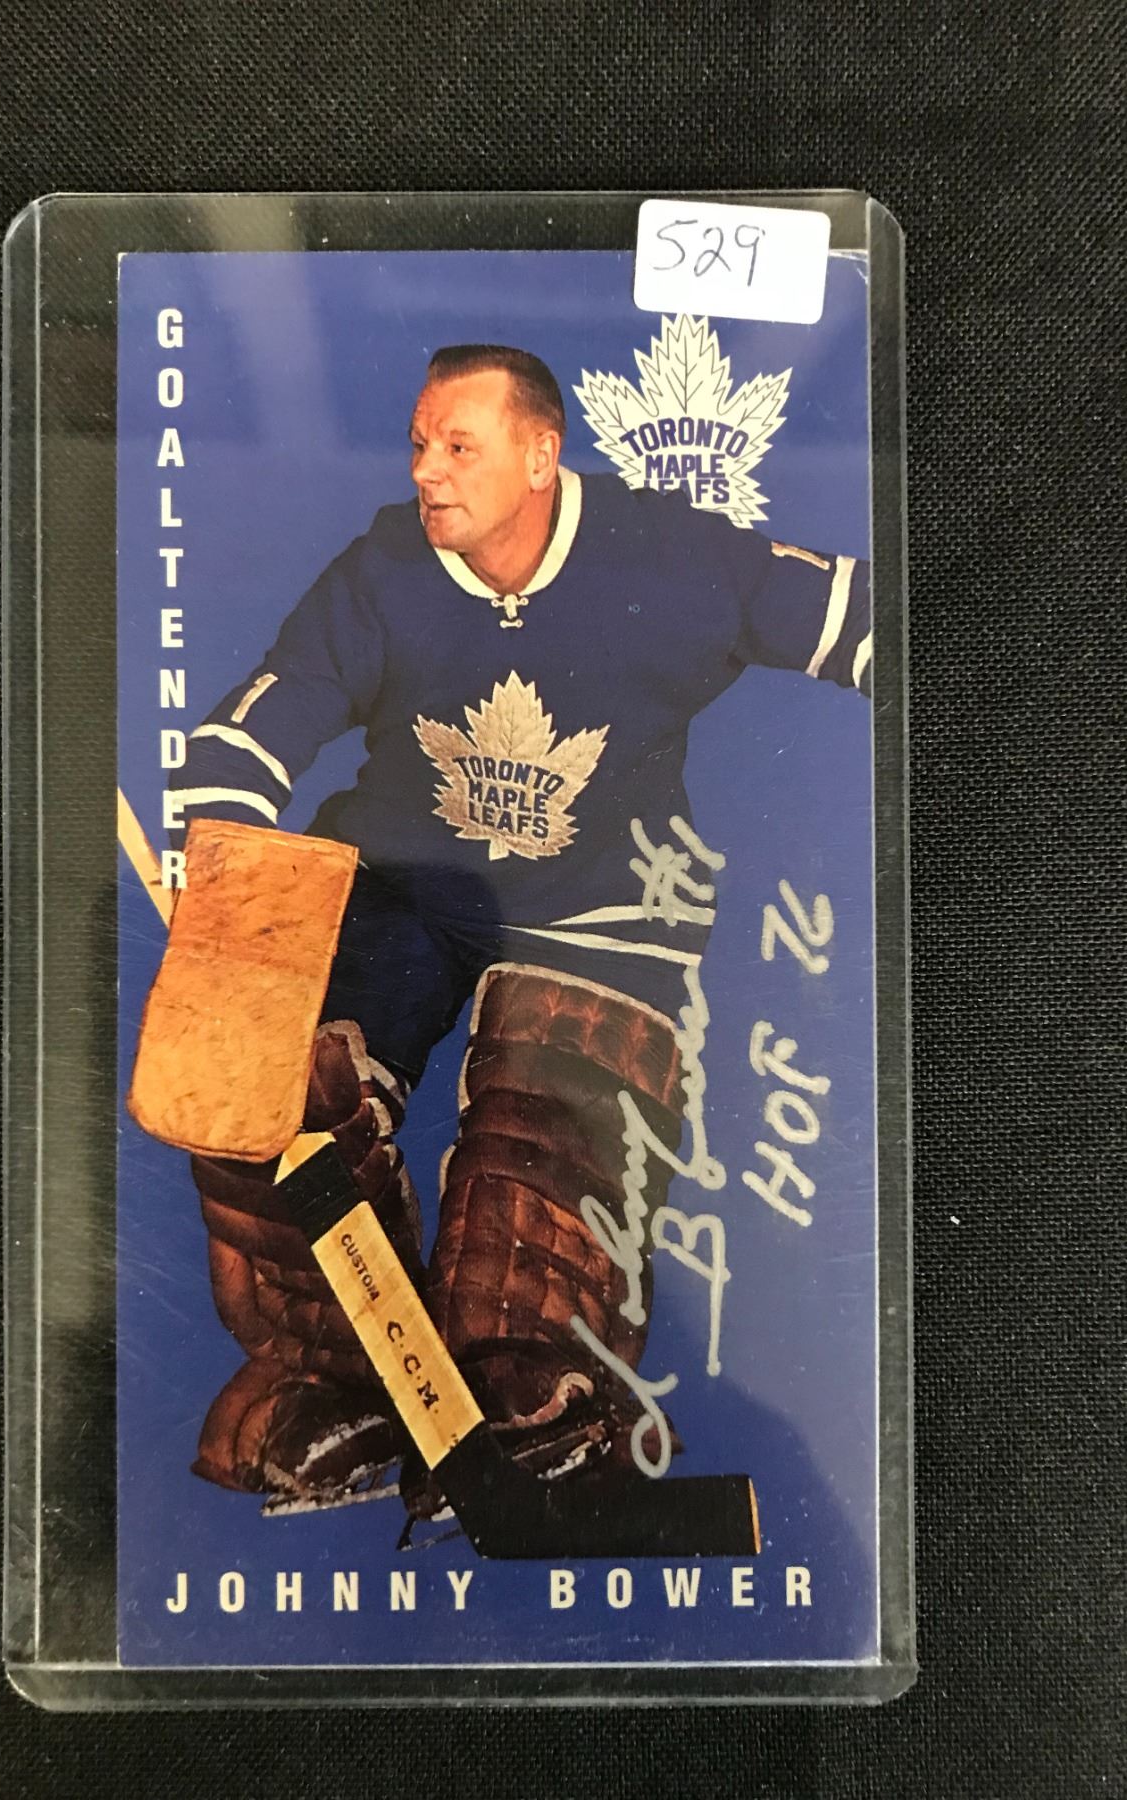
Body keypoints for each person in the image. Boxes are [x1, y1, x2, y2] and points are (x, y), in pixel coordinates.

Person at [169, 344, 872, 1509]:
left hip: (597, 904)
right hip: (410, 879)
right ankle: (330, 1377)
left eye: (459, 446)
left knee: (546, 1140)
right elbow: (269, 712)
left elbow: (868, 618)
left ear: (542, 457)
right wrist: (224, 864)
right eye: (418, 444)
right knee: (284, 1087)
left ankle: (533, 1383)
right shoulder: (387, 568)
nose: (426, 471)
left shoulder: (669, 557)